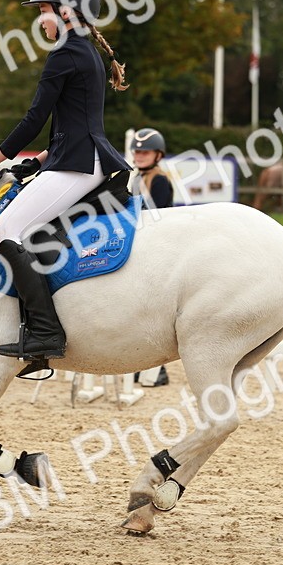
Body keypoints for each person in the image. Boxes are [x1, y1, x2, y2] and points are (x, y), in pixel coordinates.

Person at [0, 0, 132, 361]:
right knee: (26, 231)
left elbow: (34, 118)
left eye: (43, 10)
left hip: (78, 165)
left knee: (7, 228)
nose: (39, 20)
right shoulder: (84, 52)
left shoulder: (65, 55)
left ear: (66, 12)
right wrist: (40, 160)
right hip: (76, 158)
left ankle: (45, 332)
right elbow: (71, 122)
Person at [129, 127, 174, 387]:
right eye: (137, 151)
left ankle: (158, 370)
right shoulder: (135, 178)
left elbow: (158, 213)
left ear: (157, 154)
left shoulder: (159, 180)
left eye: (145, 152)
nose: (140, 155)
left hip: (157, 242)